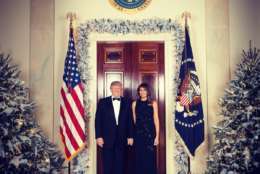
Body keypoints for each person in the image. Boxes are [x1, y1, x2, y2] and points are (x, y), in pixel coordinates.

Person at [95, 81, 134, 174]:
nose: (117, 90)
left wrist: (130, 136)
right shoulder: (103, 102)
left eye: (119, 88)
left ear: (121, 90)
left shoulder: (127, 102)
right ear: (110, 89)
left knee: (121, 164)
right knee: (107, 164)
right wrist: (98, 136)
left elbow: (130, 120)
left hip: (122, 137)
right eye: (115, 88)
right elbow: (98, 120)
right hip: (107, 138)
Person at [132, 83, 160, 174]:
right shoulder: (134, 103)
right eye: (140, 90)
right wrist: (133, 136)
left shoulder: (153, 103)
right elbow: (134, 121)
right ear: (138, 92)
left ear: (148, 91)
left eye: (144, 90)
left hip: (150, 134)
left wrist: (157, 136)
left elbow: (156, 119)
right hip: (138, 134)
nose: (142, 92)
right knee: (139, 158)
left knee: (149, 158)